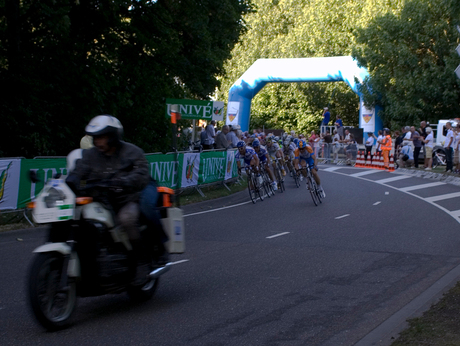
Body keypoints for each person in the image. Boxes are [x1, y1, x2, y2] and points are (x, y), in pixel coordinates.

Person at [66, 115, 154, 285]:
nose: (97, 142)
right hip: (99, 200)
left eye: (101, 137)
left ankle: (142, 261)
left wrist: (124, 182)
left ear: (112, 136)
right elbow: (79, 171)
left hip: (125, 199)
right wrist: (72, 180)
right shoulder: (90, 155)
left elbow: (142, 174)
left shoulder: (132, 152)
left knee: (127, 220)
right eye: (95, 138)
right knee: (79, 220)